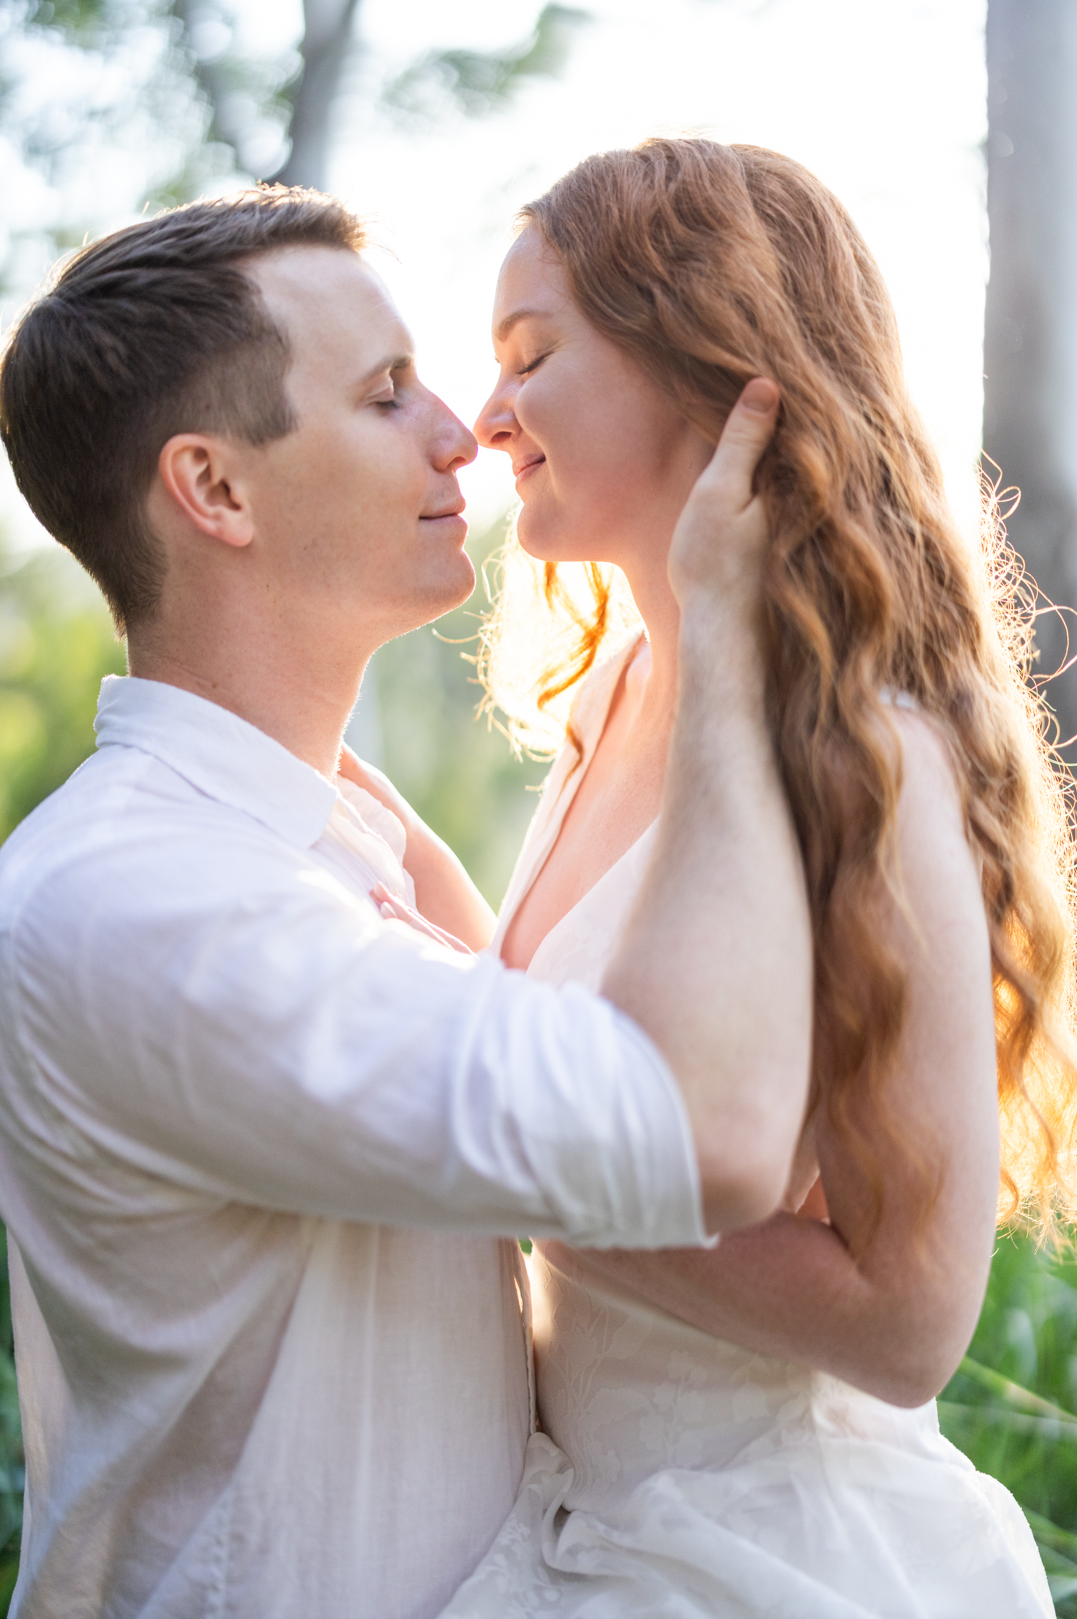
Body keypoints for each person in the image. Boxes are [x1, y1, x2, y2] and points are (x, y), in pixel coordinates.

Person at [0, 188, 813, 1618]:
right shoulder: (148, 903)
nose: (466, 431)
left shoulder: (319, 833)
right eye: (386, 397)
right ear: (217, 492)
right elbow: (700, 1140)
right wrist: (727, 647)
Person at [430, 140, 1075, 1616]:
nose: (486, 419)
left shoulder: (868, 757)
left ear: (710, 361)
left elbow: (911, 1325)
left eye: (533, 358)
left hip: (770, 1557)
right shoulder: (610, 700)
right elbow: (573, 1050)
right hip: (572, 1522)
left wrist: (485, 1169)